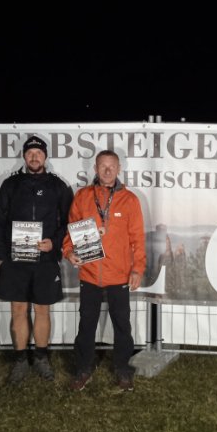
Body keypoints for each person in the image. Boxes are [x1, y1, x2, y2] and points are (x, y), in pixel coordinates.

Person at [0, 135, 73, 385]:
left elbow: (70, 222)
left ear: (45, 156)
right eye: (30, 153)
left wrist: (54, 243)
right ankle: (20, 360)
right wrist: (0, 256)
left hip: (45, 259)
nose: (34, 157)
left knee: (42, 309)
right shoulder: (11, 185)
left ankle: (41, 357)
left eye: (38, 153)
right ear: (24, 157)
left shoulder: (58, 186)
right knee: (18, 309)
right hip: (15, 260)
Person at [63, 149, 146, 392]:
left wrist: (137, 269)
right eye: (103, 166)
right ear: (95, 169)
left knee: (122, 325)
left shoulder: (130, 200)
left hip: (119, 275)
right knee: (86, 325)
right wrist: (68, 252)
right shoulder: (83, 196)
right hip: (89, 273)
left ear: (119, 169)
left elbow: (138, 239)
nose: (107, 171)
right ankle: (83, 369)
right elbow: (71, 230)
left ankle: (122, 370)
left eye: (112, 166)